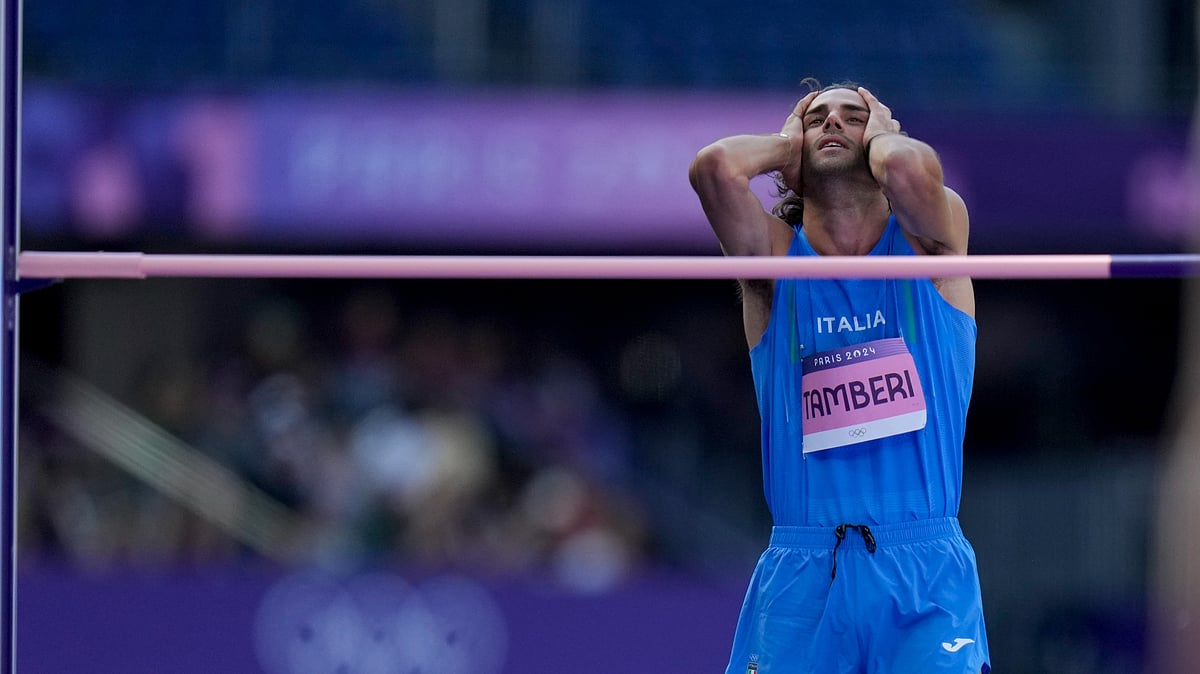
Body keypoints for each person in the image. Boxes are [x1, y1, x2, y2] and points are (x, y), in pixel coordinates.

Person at [689, 80, 990, 673]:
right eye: (817, 117)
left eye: (851, 116)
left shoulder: (936, 239)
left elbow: (907, 170)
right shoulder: (772, 262)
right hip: (804, 574)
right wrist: (786, 146)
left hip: (922, 570)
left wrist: (882, 137)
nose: (831, 124)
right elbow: (715, 168)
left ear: (881, 132)